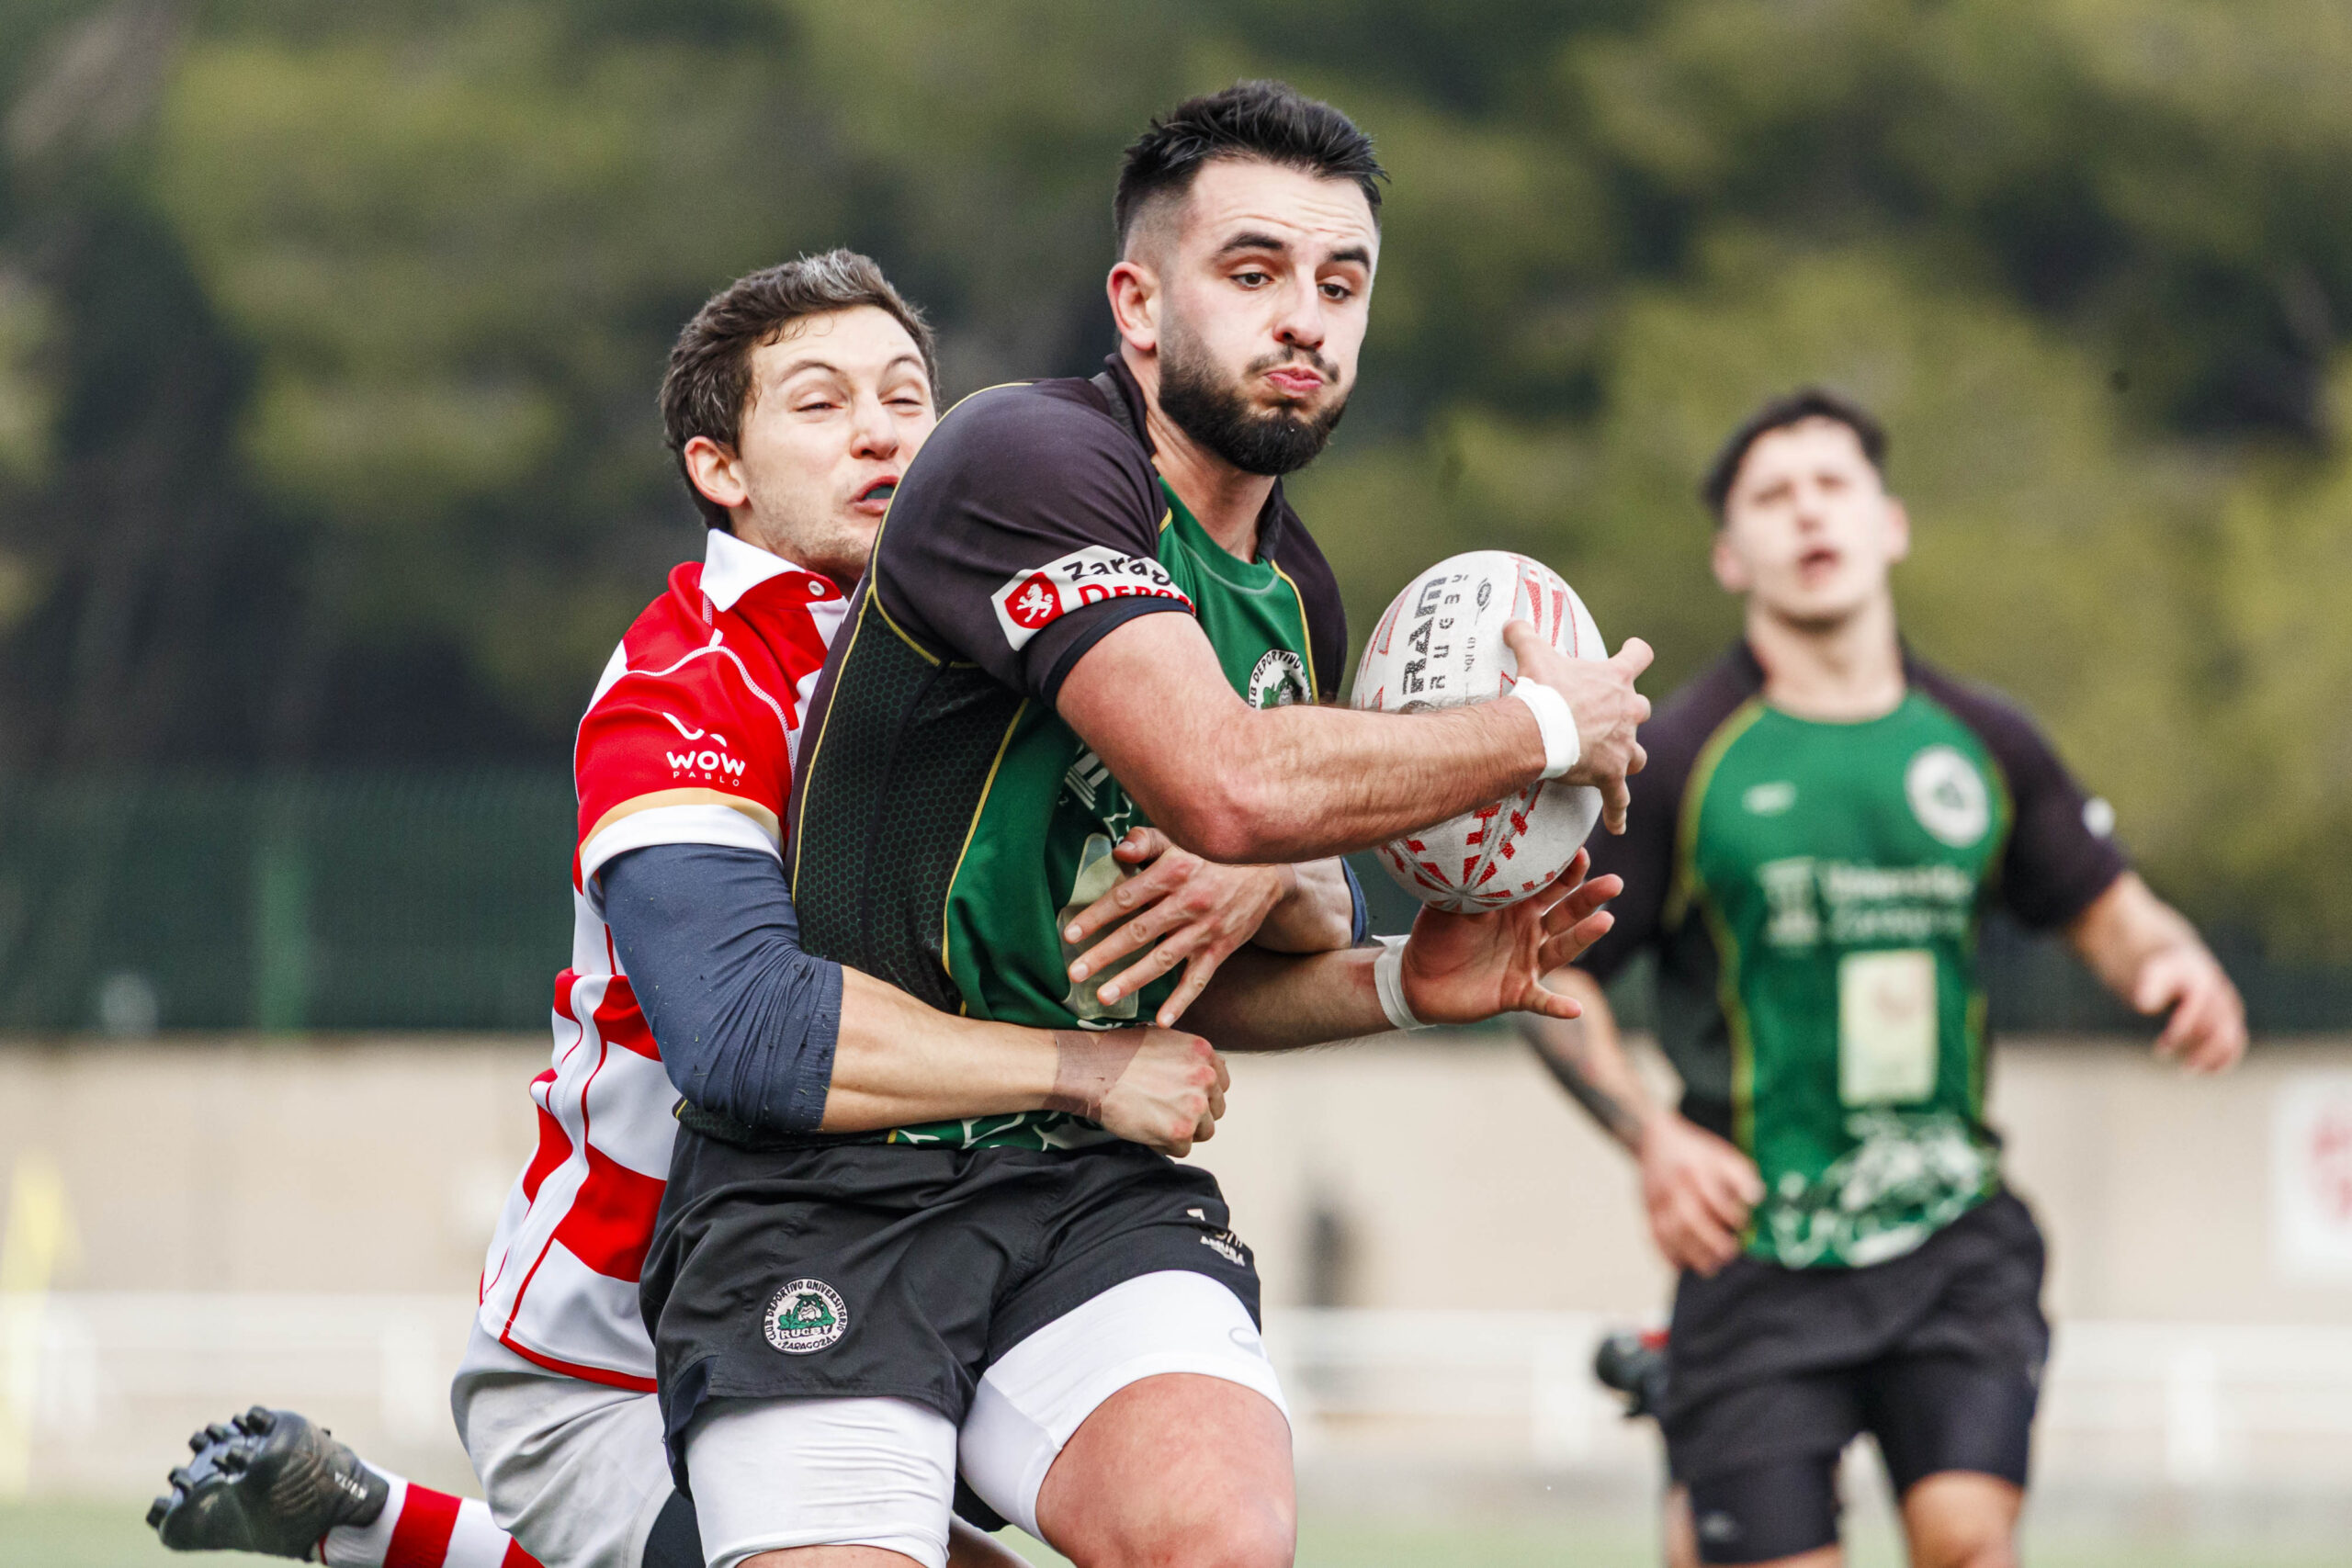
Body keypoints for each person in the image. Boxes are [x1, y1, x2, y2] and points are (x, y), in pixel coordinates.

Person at [148, 250, 1356, 1568]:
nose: (885, 430)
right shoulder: (685, 682)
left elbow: (1168, 889)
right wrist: (1086, 1070)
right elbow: (744, 1034)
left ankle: (389, 1529)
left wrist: (1286, 873)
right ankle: (399, 1533)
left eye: (908, 395)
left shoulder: (1015, 648)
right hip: (618, 1354)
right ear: (719, 469)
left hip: (941, 1246)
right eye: (821, 404)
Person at [641, 80, 1652, 1568]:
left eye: (1341, 282)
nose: (1303, 318)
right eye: (1252, 274)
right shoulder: (1020, 463)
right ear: (1136, 300)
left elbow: (1177, 952)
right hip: (825, 1193)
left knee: (1218, 1539)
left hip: (1080, 1178)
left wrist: (1395, 980)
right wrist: (1548, 727)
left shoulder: (1289, 593)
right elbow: (1228, 783)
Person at [1521, 387, 2249, 1568]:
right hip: (1758, 1249)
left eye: (1831, 485)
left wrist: (2178, 967)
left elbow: (2111, 917)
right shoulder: (1679, 763)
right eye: (1772, 496)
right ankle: (1690, 1411)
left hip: (1950, 1235)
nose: (1807, 513)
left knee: (1967, 1538)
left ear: (1888, 522)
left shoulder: (1984, 742)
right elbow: (1547, 978)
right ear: (1729, 554)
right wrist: (1654, 1139)